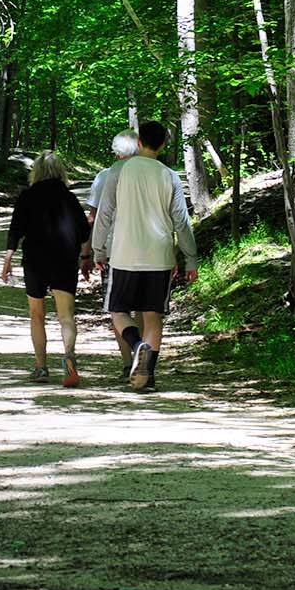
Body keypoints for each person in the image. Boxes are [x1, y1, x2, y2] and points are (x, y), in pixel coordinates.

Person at [92, 120, 198, 391]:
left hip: (123, 254)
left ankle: (137, 345)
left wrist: (98, 249)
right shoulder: (169, 175)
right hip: (159, 256)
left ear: (139, 142)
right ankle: (147, 378)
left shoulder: (119, 171)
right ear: (163, 146)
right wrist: (190, 258)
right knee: (153, 316)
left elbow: (104, 213)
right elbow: (181, 221)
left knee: (118, 311)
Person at [1, 150, 90, 386]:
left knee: (36, 314)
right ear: (60, 171)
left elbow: (15, 230)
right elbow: (84, 231)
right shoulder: (69, 198)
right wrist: (85, 256)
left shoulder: (27, 196)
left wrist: (8, 259)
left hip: (35, 260)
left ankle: (41, 367)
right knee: (66, 316)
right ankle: (69, 358)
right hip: (64, 259)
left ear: (36, 171)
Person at [83, 130, 144, 375]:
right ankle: (141, 355)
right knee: (141, 307)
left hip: (113, 251)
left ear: (116, 152)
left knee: (118, 309)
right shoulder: (152, 174)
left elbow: (94, 218)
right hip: (147, 249)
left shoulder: (105, 176)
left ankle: (129, 361)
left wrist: (88, 252)